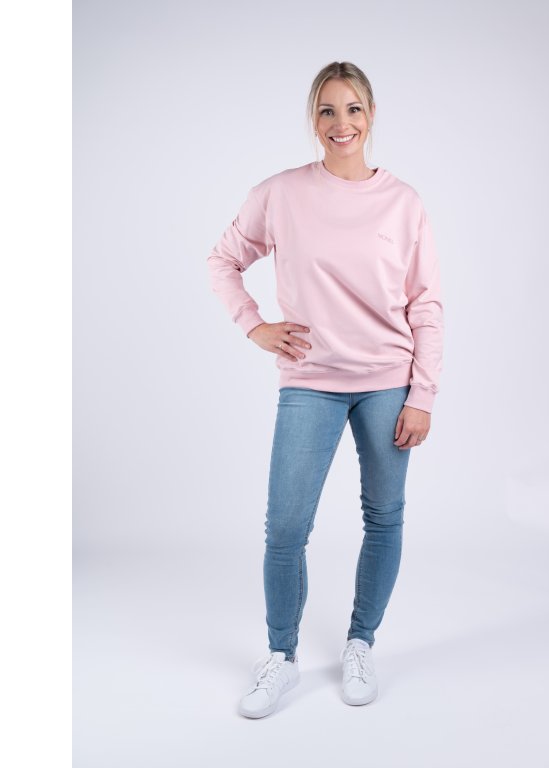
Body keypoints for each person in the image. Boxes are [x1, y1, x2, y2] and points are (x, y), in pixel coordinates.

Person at [206, 61, 444, 719]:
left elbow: (426, 303)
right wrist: (254, 325)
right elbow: (223, 260)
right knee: (285, 526)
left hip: (388, 383)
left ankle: (360, 643)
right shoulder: (280, 194)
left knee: (384, 515)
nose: (342, 124)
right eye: (327, 111)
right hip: (310, 381)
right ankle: (281, 656)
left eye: (353, 109)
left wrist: (422, 394)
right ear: (314, 120)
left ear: (371, 115)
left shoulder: (403, 203)